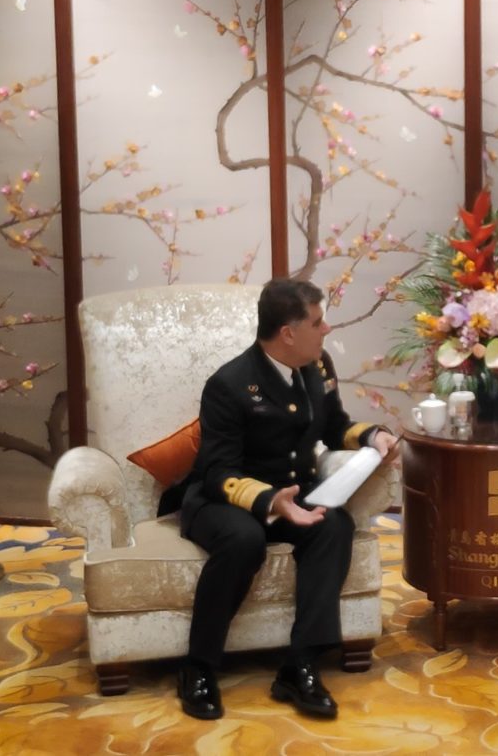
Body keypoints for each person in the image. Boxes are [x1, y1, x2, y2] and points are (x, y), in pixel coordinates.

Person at [172, 278, 397, 721]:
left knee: (334, 526)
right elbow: (218, 473)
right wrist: (272, 501)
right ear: (288, 333)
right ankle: (198, 666)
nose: (326, 329)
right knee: (244, 540)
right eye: (317, 322)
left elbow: (334, 426)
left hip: (293, 491)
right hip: (225, 499)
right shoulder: (229, 384)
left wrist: (373, 436)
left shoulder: (318, 366)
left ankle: (300, 664)